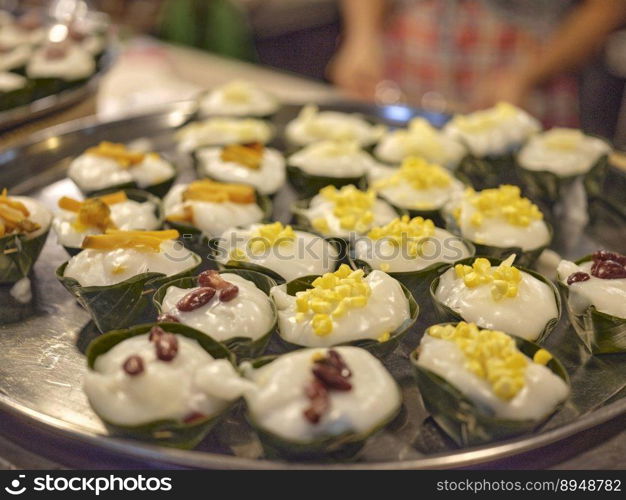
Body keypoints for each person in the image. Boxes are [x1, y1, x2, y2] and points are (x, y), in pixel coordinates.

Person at [328, 0, 626, 129]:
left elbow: (607, 7)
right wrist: (362, 35)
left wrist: (527, 75)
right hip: (409, 55)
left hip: (526, 70)